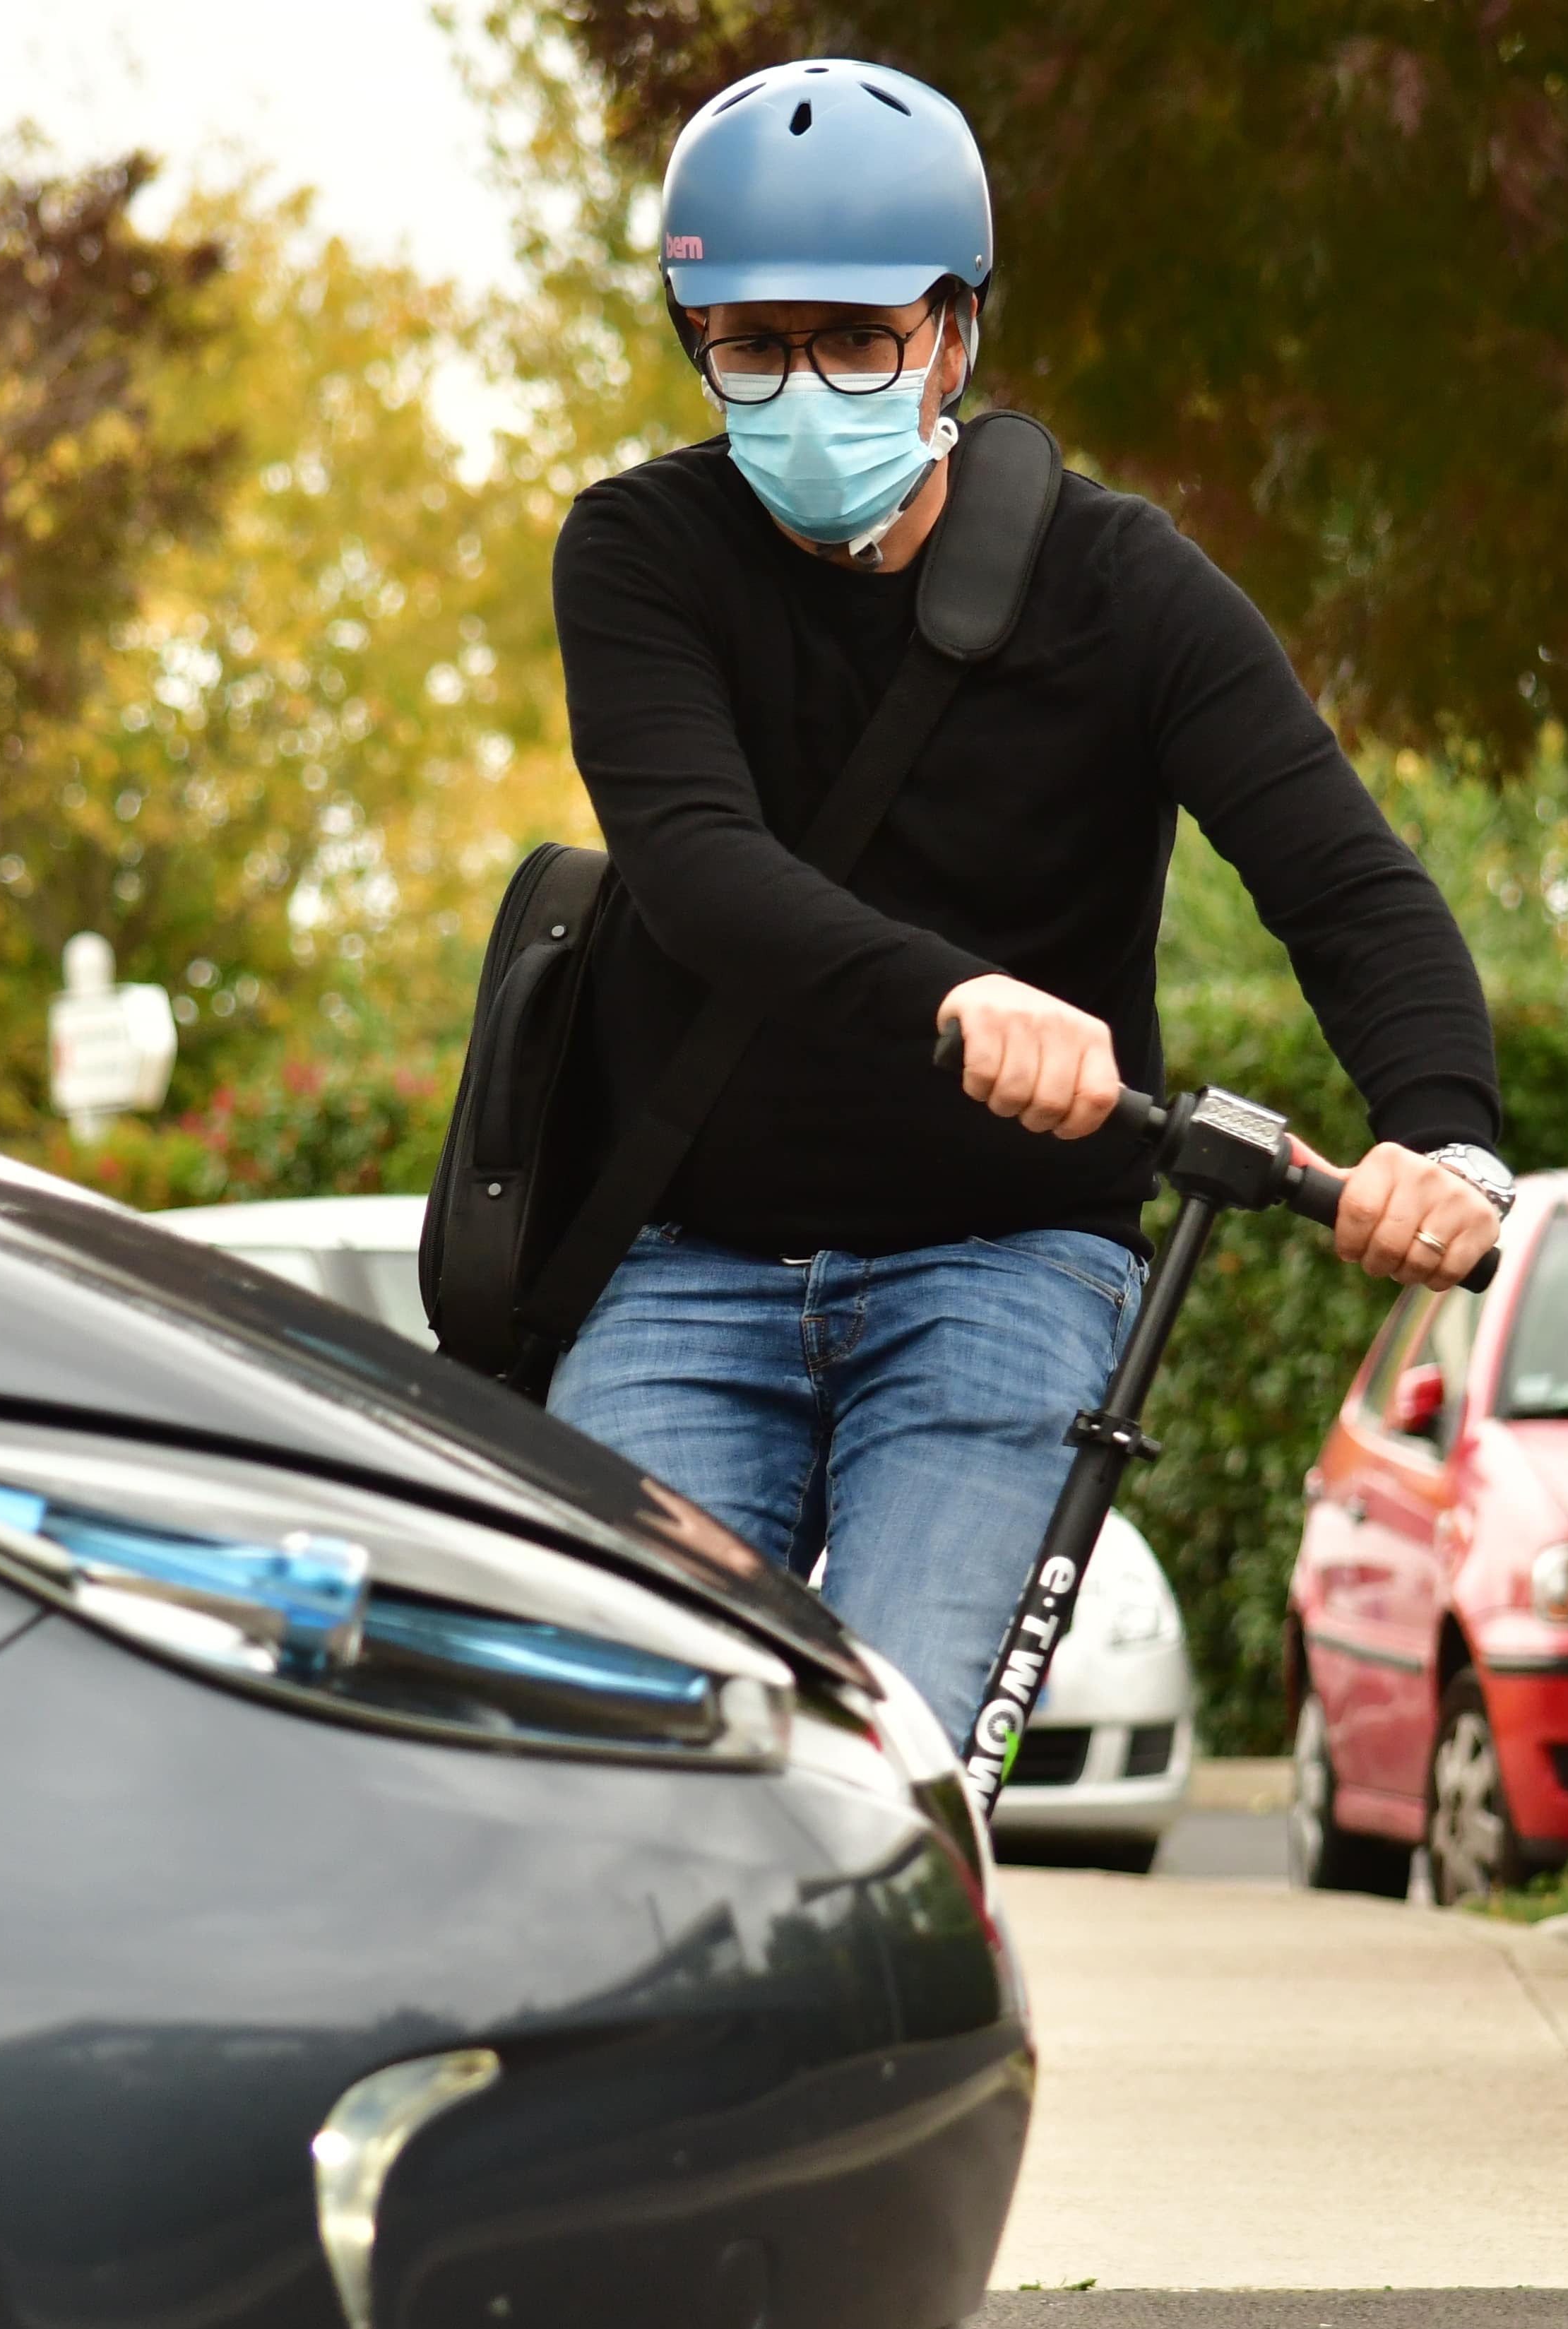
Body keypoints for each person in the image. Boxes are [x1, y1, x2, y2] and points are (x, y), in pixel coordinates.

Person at [548, 56, 1511, 1753]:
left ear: (959, 331)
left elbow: (1343, 883)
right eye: (753, 342)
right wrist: (954, 994)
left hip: (1000, 1270)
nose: (803, 383)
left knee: (899, 1772)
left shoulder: (1126, 587)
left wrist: (1443, 1137)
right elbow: (697, 865)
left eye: (860, 338)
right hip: (684, 1271)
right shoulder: (641, 552)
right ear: (696, 335)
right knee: (636, 1761)